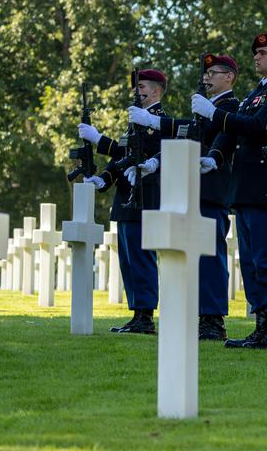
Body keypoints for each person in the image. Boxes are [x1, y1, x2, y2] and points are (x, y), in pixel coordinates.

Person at [192, 33, 267, 350]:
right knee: (252, 260)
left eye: (263, 52)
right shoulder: (257, 92)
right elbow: (234, 130)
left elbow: (256, 126)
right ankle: (261, 325)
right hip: (245, 185)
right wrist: (215, 156)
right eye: (255, 52)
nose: (256, 56)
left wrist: (215, 115)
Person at [126, 54, 241, 340]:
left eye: (213, 72)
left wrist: (212, 152)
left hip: (212, 188)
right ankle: (199, 315)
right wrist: (156, 161)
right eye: (206, 73)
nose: (207, 77)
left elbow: (221, 137)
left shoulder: (231, 106)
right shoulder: (206, 107)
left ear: (229, 77)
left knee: (211, 258)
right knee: (194, 258)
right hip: (190, 189)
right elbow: (187, 136)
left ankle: (213, 320)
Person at [79, 69, 170, 334]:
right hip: (127, 197)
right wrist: (104, 178)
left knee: (141, 258)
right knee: (128, 260)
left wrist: (99, 140)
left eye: (142, 86)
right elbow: (123, 158)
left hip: (146, 196)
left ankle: (145, 316)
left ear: (156, 90)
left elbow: (138, 154)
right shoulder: (135, 122)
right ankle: (137, 313)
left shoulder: (161, 121)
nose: (136, 91)